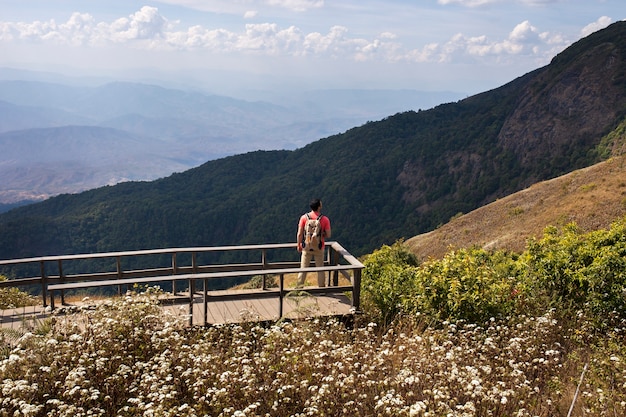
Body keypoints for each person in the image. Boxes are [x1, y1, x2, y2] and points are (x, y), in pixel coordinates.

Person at [296, 198, 331, 287]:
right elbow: (328, 234)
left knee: (303, 269)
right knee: (320, 269)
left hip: (306, 246)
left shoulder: (304, 218)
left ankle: (299, 288)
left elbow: (300, 234)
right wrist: (320, 235)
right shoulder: (324, 219)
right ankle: (321, 288)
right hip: (319, 247)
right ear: (319, 207)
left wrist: (299, 245)